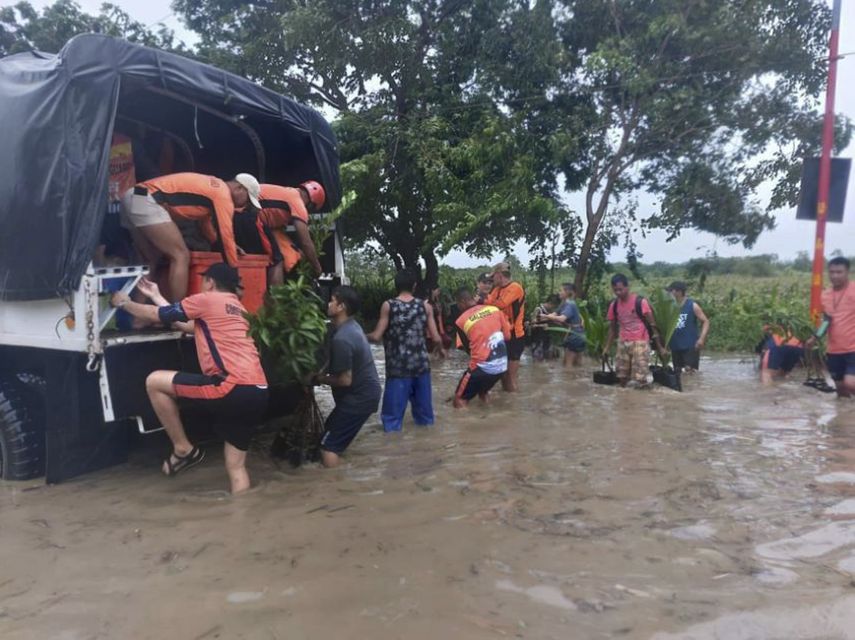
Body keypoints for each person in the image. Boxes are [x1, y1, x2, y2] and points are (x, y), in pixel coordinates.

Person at [110, 263, 268, 494]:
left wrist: (124, 303)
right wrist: (156, 295)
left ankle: (183, 448)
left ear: (210, 282)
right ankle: (243, 514)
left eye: (204, 280)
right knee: (236, 467)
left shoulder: (207, 300)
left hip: (230, 386)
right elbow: (186, 324)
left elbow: (159, 316)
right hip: (258, 390)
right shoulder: (238, 310)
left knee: (154, 382)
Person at [121, 172, 262, 300]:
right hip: (147, 198)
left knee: (150, 259)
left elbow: (205, 226)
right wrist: (234, 276)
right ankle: (177, 315)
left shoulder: (213, 187)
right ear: (240, 188)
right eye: (248, 200)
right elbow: (226, 235)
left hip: (135, 194)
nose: (245, 206)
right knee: (181, 256)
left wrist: (226, 245)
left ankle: (137, 320)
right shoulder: (223, 195)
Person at [313, 286, 382, 467]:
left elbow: (345, 380)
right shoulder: (352, 326)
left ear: (341, 306)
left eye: (332, 300)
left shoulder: (343, 338)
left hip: (359, 398)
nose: (328, 304)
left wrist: (319, 379)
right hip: (364, 395)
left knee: (328, 446)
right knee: (329, 430)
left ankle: (333, 489)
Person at [367, 271, 443, 432]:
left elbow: (376, 336)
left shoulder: (388, 305)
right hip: (421, 367)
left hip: (398, 369)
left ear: (396, 286)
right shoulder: (425, 306)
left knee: (392, 420)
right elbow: (436, 338)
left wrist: (358, 334)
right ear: (414, 286)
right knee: (425, 418)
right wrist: (439, 351)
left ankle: (395, 451)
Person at [602, 274, 667, 386]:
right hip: (623, 343)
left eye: (620, 289)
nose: (618, 292)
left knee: (640, 379)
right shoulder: (614, 305)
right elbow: (612, 329)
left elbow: (653, 325)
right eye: (615, 290)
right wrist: (606, 348)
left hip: (640, 342)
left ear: (628, 287)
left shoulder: (640, 302)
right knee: (622, 378)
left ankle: (639, 401)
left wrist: (660, 347)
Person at [453, 288, 511, 408]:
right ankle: (487, 417)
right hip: (502, 366)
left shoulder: (461, 320)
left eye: (458, 304)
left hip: (482, 368)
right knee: (483, 392)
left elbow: (468, 349)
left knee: (458, 400)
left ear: (462, 302)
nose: (458, 307)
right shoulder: (495, 310)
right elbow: (507, 337)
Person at [257, 181, 326, 283]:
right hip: (251, 217)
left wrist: (296, 252)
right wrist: (317, 268)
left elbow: (278, 232)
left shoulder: (287, 193)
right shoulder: (297, 203)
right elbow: (305, 242)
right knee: (277, 259)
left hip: (247, 214)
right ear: (311, 204)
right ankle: (276, 296)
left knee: (278, 250)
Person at [808, 256, 855, 397]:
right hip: (834, 350)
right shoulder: (825, 295)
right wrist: (815, 337)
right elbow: (827, 320)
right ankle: (845, 417)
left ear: (848, 272)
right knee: (840, 389)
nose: (835, 276)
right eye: (832, 272)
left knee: (850, 383)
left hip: (853, 349)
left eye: (839, 272)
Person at [485, 262, 526, 391]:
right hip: (502, 334)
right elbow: (488, 304)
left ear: (499, 275)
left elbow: (501, 304)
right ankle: (507, 404)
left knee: (510, 377)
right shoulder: (496, 289)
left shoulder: (515, 288)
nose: (492, 280)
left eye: (493, 277)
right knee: (502, 374)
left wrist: (484, 299)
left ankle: (513, 406)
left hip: (515, 335)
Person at [666, 281, 710, 373]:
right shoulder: (670, 306)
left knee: (690, 371)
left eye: (671, 291)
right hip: (675, 345)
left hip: (690, 345)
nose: (669, 294)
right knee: (677, 371)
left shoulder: (692, 305)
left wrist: (702, 339)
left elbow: (705, 321)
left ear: (679, 292)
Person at [543, 283, 587, 367]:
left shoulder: (569, 304)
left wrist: (545, 316)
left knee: (567, 366)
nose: (559, 292)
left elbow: (561, 318)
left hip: (574, 336)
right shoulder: (564, 304)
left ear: (567, 292)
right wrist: (544, 318)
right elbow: (554, 314)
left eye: (561, 290)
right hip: (580, 335)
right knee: (578, 364)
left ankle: (569, 380)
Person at [529, 294, 560, 362]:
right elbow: (531, 325)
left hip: (546, 340)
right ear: (550, 303)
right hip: (537, 340)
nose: (554, 309)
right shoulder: (538, 309)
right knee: (537, 361)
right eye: (554, 307)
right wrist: (542, 326)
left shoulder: (551, 312)